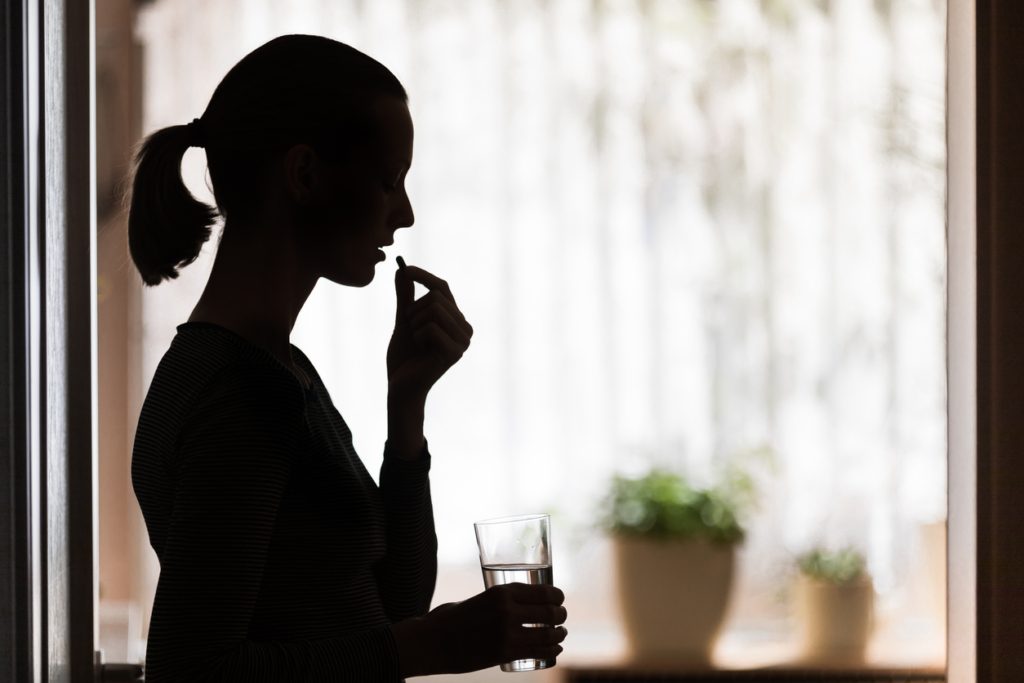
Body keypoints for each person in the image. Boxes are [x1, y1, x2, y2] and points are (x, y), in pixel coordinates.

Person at [128, 34, 567, 681]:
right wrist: (433, 647)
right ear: (305, 175)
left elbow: (393, 606)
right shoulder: (239, 393)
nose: (405, 213)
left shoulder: (280, 371)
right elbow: (192, 670)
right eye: (389, 181)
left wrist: (406, 409)